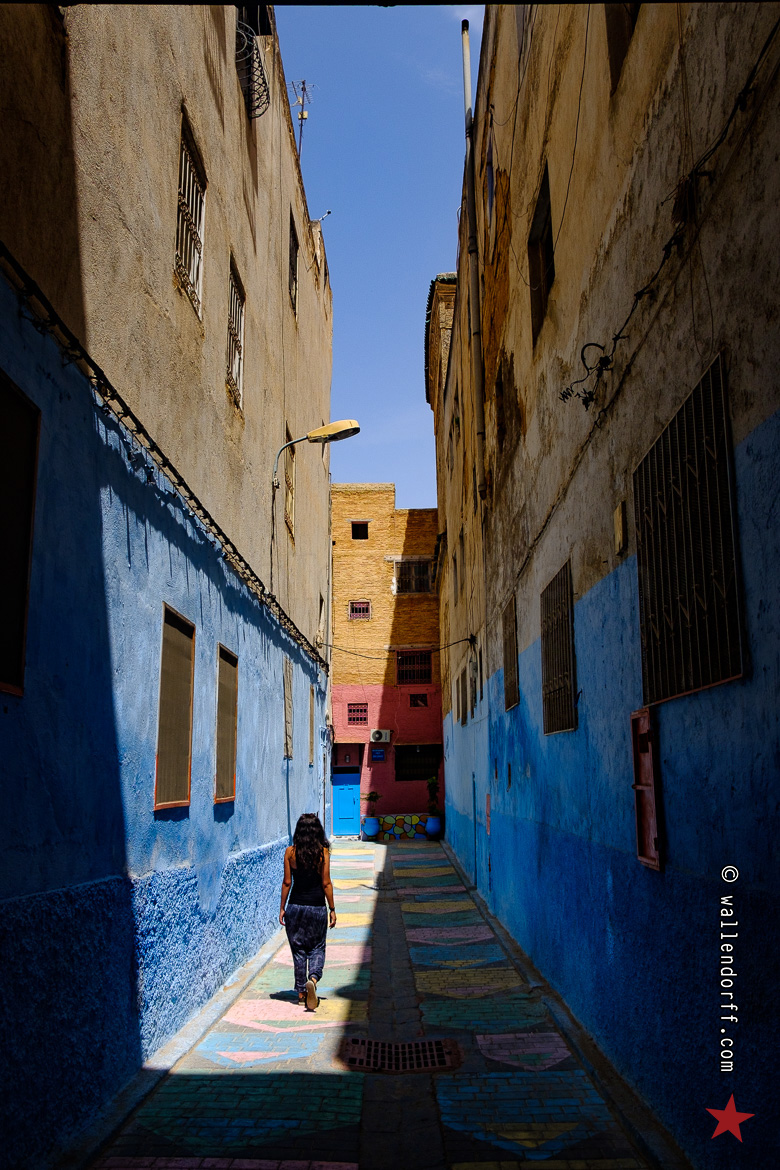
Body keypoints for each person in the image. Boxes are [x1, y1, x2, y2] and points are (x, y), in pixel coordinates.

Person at [279, 813, 337, 1009]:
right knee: (317, 947)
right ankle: (312, 978)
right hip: (317, 907)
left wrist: (282, 908)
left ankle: (301, 993)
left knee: (298, 950)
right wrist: (332, 909)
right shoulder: (323, 853)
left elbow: (287, 883)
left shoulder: (290, 853)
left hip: (295, 908)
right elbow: (326, 883)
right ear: (317, 831)